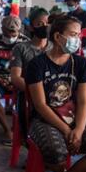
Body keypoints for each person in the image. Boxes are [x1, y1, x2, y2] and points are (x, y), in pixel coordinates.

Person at [25, 15, 86, 172]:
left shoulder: (80, 64)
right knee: (56, 151)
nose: (78, 39)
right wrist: (67, 131)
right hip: (43, 120)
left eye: (79, 34)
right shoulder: (37, 65)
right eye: (73, 34)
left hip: (72, 118)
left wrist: (78, 129)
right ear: (58, 37)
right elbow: (41, 105)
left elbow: (83, 101)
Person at [0, 16, 29, 145]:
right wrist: (1, 81)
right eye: (8, 31)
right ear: (2, 28)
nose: (11, 34)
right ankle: (8, 130)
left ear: (19, 29)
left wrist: (17, 81)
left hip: (19, 79)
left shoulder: (25, 43)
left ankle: (24, 131)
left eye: (14, 31)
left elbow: (29, 67)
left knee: (31, 96)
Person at [11, 8, 52, 140]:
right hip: (28, 93)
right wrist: (35, 92)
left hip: (53, 93)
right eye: (40, 24)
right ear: (31, 27)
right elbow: (16, 77)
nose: (44, 27)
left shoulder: (55, 47)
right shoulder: (21, 48)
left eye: (47, 23)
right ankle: (27, 139)